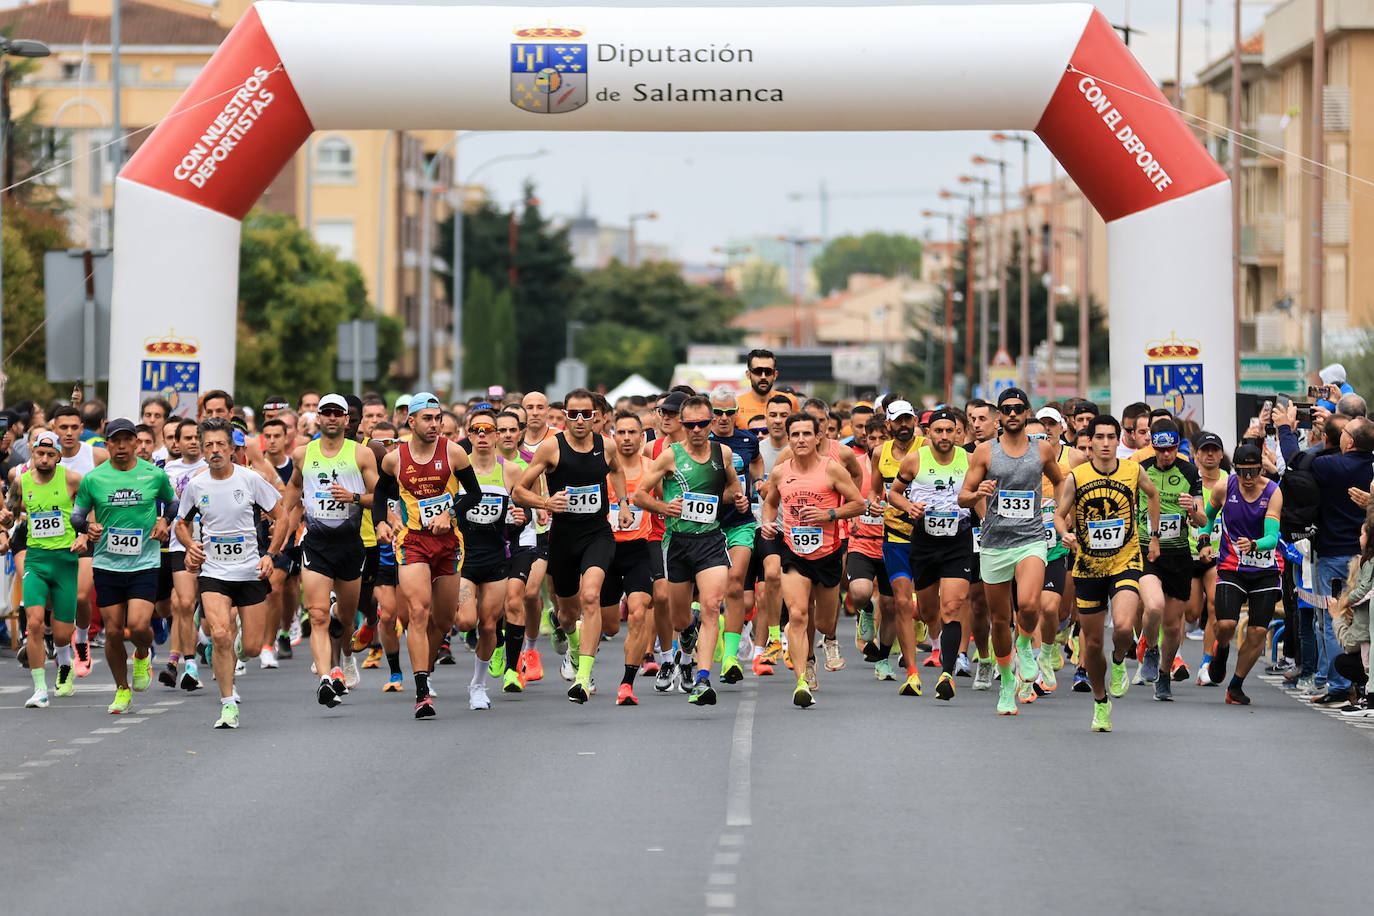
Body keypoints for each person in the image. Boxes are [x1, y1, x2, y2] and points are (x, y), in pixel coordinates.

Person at [514, 389, 633, 704]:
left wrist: (622, 504)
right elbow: (518, 491)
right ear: (564, 415)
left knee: (591, 596)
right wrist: (545, 501)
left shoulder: (606, 446)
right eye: (573, 414)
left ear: (596, 416)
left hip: (597, 534)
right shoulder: (551, 449)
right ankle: (572, 643)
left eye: (586, 414)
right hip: (564, 538)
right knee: (567, 615)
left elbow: (617, 471)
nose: (580, 420)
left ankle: (583, 677)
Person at [374, 392, 482, 718]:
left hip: (449, 543)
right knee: (418, 611)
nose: (435, 424)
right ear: (411, 422)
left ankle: (427, 664)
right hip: (413, 542)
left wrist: (450, 513)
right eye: (427, 418)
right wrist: (380, 521)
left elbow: (474, 493)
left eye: (438, 418)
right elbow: (380, 492)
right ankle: (422, 691)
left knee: (444, 619)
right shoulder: (395, 458)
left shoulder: (454, 453)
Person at [176, 418, 290, 728]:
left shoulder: (250, 480)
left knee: (251, 647)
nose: (214, 451)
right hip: (213, 572)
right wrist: (190, 546)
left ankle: (233, 654)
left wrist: (270, 555)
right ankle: (228, 705)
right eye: (209, 445)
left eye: (220, 445)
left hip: (250, 571)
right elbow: (181, 524)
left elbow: (283, 518)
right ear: (202, 450)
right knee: (221, 632)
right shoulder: (196, 485)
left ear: (232, 449)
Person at [958, 388, 1065, 715]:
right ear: (999, 417)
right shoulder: (985, 453)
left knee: (1031, 604)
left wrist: (1060, 512)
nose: (1013, 413)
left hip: (1031, 538)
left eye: (1019, 408)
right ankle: (1007, 682)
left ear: (1026, 411)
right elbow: (963, 496)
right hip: (994, 543)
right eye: (1007, 409)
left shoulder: (1042, 450)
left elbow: (1060, 482)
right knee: (999, 620)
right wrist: (979, 493)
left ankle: (1025, 644)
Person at [635, 395, 747, 705]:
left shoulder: (722, 453)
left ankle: (702, 678)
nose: (696, 430)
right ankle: (687, 633)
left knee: (711, 606)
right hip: (678, 545)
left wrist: (737, 499)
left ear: (712, 423)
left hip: (710, 541)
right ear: (682, 426)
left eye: (702, 424)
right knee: (680, 617)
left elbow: (731, 489)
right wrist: (664, 507)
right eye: (690, 425)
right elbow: (639, 495)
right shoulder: (669, 456)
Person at [1055, 414, 1161, 732]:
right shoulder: (1077, 476)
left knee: (1124, 627)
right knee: (1090, 644)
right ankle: (1101, 703)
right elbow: (1061, 516)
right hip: (1088, 566)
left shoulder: (1132, 470)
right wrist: (1065, 533)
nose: (1104, 443)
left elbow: (1153, 494)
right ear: (1090, 444)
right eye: (1098, 437)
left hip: (1125, 560)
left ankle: (1118, 662)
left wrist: (1153, 535)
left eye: (1109, 437)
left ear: (1117, 440)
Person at [759, 412, 864, 708]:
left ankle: (829, 638)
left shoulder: (832, 469)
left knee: (823, 621)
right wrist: (768, 523)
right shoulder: (781, 471)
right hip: (793, 552)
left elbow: (858, 503)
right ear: (788, 439)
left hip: (828, 554)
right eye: (796, 435)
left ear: (818, 437)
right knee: (797, 615)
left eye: (807, 434)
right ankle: (802, 677)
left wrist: (829, 514)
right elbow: (770, 503)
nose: (801, 440)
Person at [283, 393, 382, 710]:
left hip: (352, 544)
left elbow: (379, 497)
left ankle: (347, 655)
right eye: (325, 412)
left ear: (346, 419)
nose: (332, 418)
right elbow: (295, 488)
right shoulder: (303, 454)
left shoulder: (362, 454)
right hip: (316, 545)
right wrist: (284, 519)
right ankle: (326, 679)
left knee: (346, 618)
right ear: (318, 418)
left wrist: (353, 497)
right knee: (318, 614)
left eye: (338, 413)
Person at [71, 419, 177, 714]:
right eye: (114, 441)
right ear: (107, 445)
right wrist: (87, 527)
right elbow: (77, 517)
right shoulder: (93, 479)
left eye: (126, 440)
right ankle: (121, 689)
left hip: (144, 561)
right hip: (107, 562)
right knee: (114, 631)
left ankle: (143, 653)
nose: (120, 446)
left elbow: (173, 503)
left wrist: (164, 521)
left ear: (136, 443)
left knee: (138, 626)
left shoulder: (154, 475)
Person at [888, 408, 975, 701]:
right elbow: (894, 493)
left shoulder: (969, 461)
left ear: (958, 434)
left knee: (952, 606)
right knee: (928, 611)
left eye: (950, 431)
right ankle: (932, 644)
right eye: (938, 430)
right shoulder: (915, 460)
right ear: (928, 433)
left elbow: (979, 496)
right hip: (924, 541)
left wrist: (985, 526)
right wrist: (908, 506)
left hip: (958, 540)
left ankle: (947, 674)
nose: (945, 436)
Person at [4, 431, 86, 708]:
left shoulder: (72, 479)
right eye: (40, 453)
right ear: (33, 453)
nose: (45, 459)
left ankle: (65, 662)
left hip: (65, 561)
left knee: (63, 634)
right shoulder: (21, 481)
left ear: (59, 457)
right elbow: (10, 514)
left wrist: (84, 534)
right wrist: (4, 524)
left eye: (51, 455)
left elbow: (91, 506)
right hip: (36, 560)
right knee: (36, 622)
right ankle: (40, 689)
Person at [1202, 443, 1283, 706]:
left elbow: (1272, 536)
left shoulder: (1272, 491)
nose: (1248, 479)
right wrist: (1204, 538)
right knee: (1226, 624)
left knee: (1258, 631)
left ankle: (1235, 686)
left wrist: (1256, 544)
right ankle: (1221, 649)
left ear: (1261, 468)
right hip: (1231, 566)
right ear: (1234, 469)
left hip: (1265, 569)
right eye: (1243, 472)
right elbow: (1208, 518)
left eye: (1254, 472)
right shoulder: (1224, 487)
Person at [455, 409, 526, 708]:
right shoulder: (456, 469)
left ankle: (478, 686)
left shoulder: (511, 471)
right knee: (465, 621)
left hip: (497, 557)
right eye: (477, 430)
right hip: (463, 559)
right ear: (469, 435)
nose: (483, 435)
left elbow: (523, 511)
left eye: (488, 429)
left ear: (498, 435)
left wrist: (521, 516)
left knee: (488, 626)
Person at [1135, 418, 1208, 700]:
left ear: (1178, 446)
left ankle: (1164, 673)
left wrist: (1193, 510)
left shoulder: (1189, 471)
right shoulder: (1141, 470)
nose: (1166, 455)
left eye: (1172, 449)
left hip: (1178, 552)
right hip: (1148, 549)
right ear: (1152, 445)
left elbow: (1202, 518)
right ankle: (1151, 649)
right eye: (1161, 449)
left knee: (1174, 624)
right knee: (1153, 607)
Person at [708, 386, 764, 687]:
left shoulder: (748, 440)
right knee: (709, 594)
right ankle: (705, 634)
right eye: (718, 412)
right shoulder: (702, 442)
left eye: (730, 412)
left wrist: (757, 485)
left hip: (740, 522)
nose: (724, 418)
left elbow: (756, 463)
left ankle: (730, 657)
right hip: (708, 525)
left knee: (735, 582)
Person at [601, 410, 657, 705]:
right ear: (613, 437)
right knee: (610, 626)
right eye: (620, 433)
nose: (626, 438)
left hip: (639, 549)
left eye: (631, 432)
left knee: (638, 612)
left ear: (642, 436)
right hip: (605, 551)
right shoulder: (602, 470)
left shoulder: (652, 468)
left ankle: (627, 684)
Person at [735, 349, 798, 431]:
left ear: (775, 375)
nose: (763, 377)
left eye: (768, 371)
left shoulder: (790, 401)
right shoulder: (736, 404)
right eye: (758, 371)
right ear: (748, 374)